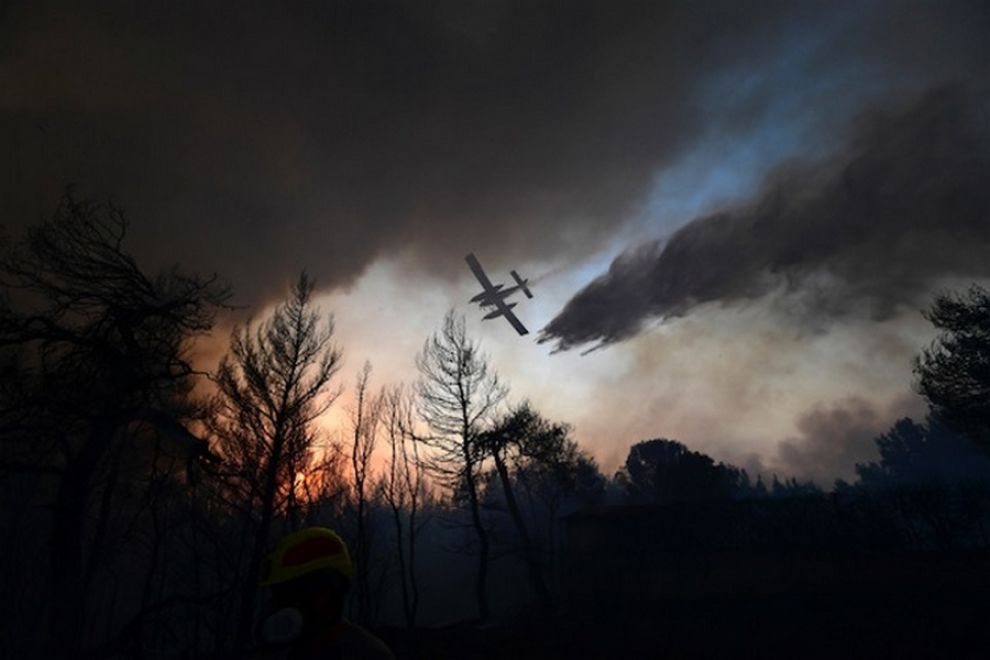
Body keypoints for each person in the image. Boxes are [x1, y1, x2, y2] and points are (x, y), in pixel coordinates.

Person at [255, 527, 395, 660]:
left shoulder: (368, 655)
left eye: (291, 593)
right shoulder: (285, 651)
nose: (281, 604)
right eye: (279, 595)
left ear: (328, 592)